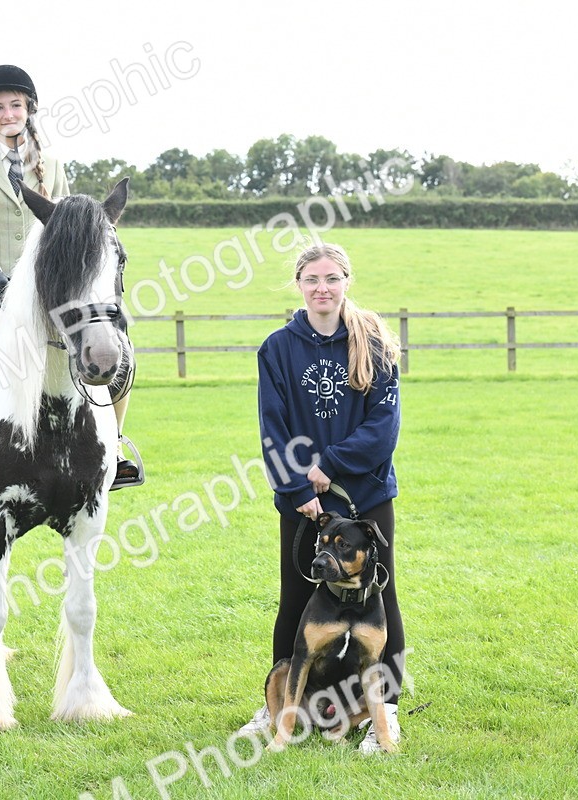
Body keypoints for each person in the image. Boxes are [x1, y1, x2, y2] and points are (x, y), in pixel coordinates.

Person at [0, 63, 141, 488]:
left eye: (15, 105)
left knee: (116, 347)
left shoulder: (50, 161)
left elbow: (67, 228)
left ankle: (116, 443)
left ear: (28, 109)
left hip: (46, 292)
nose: (8, 113)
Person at [244, 242, 406, 754]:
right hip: (305, 503)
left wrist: (328, 466)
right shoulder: (277, 348)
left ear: (346, 283)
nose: (322, 288)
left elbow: (385, 428)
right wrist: (297, 489)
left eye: (332, 279)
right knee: (296, 596)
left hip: (367, 494)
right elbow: (274, 429)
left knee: (383, 594)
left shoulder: (373, 343)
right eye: (312, 279)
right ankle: (276, 709)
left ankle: (387, 711)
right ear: (298, 284)